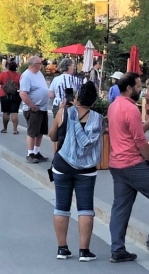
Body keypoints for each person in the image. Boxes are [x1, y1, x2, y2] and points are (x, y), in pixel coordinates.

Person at [107, 72, 149, 262]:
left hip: (117, 164)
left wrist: (147, 122)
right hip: (132, 164)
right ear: (129, 88)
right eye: (138, 86)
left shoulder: (114, 106)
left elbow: (127, 134)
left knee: (120, 207)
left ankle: (117, 249)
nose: (141, 90)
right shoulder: (131, 109)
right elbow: (140, 143)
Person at [48, 81, 103, 262]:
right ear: (94, 100)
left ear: (77, 97)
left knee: (61, 207)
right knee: (86, 208)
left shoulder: (65, 112)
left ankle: (62, 248)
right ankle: (84, 251)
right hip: (86, 168)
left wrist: (62, 111)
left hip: (63, 165)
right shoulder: (97, 118)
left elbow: (52, 136)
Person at [19, 56, 50, 163]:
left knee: (40, 131)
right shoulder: (27, 76)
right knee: (32, 132)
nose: (41, 65)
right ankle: (30, 153)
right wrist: (32, 105)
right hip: (33, 108)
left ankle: (37, 152)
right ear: (34, 64)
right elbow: (23, 93)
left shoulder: (39, 74)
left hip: (42, 108)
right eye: (39, 63)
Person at [0, 60, 22, 134]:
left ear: (8, 67)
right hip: (15, 95)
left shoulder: (3, 74)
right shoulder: (19, 75)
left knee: (6, 112)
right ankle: (15, 129)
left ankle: (5, 128)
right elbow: (21, 86)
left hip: (4, 95)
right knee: (14, 112)